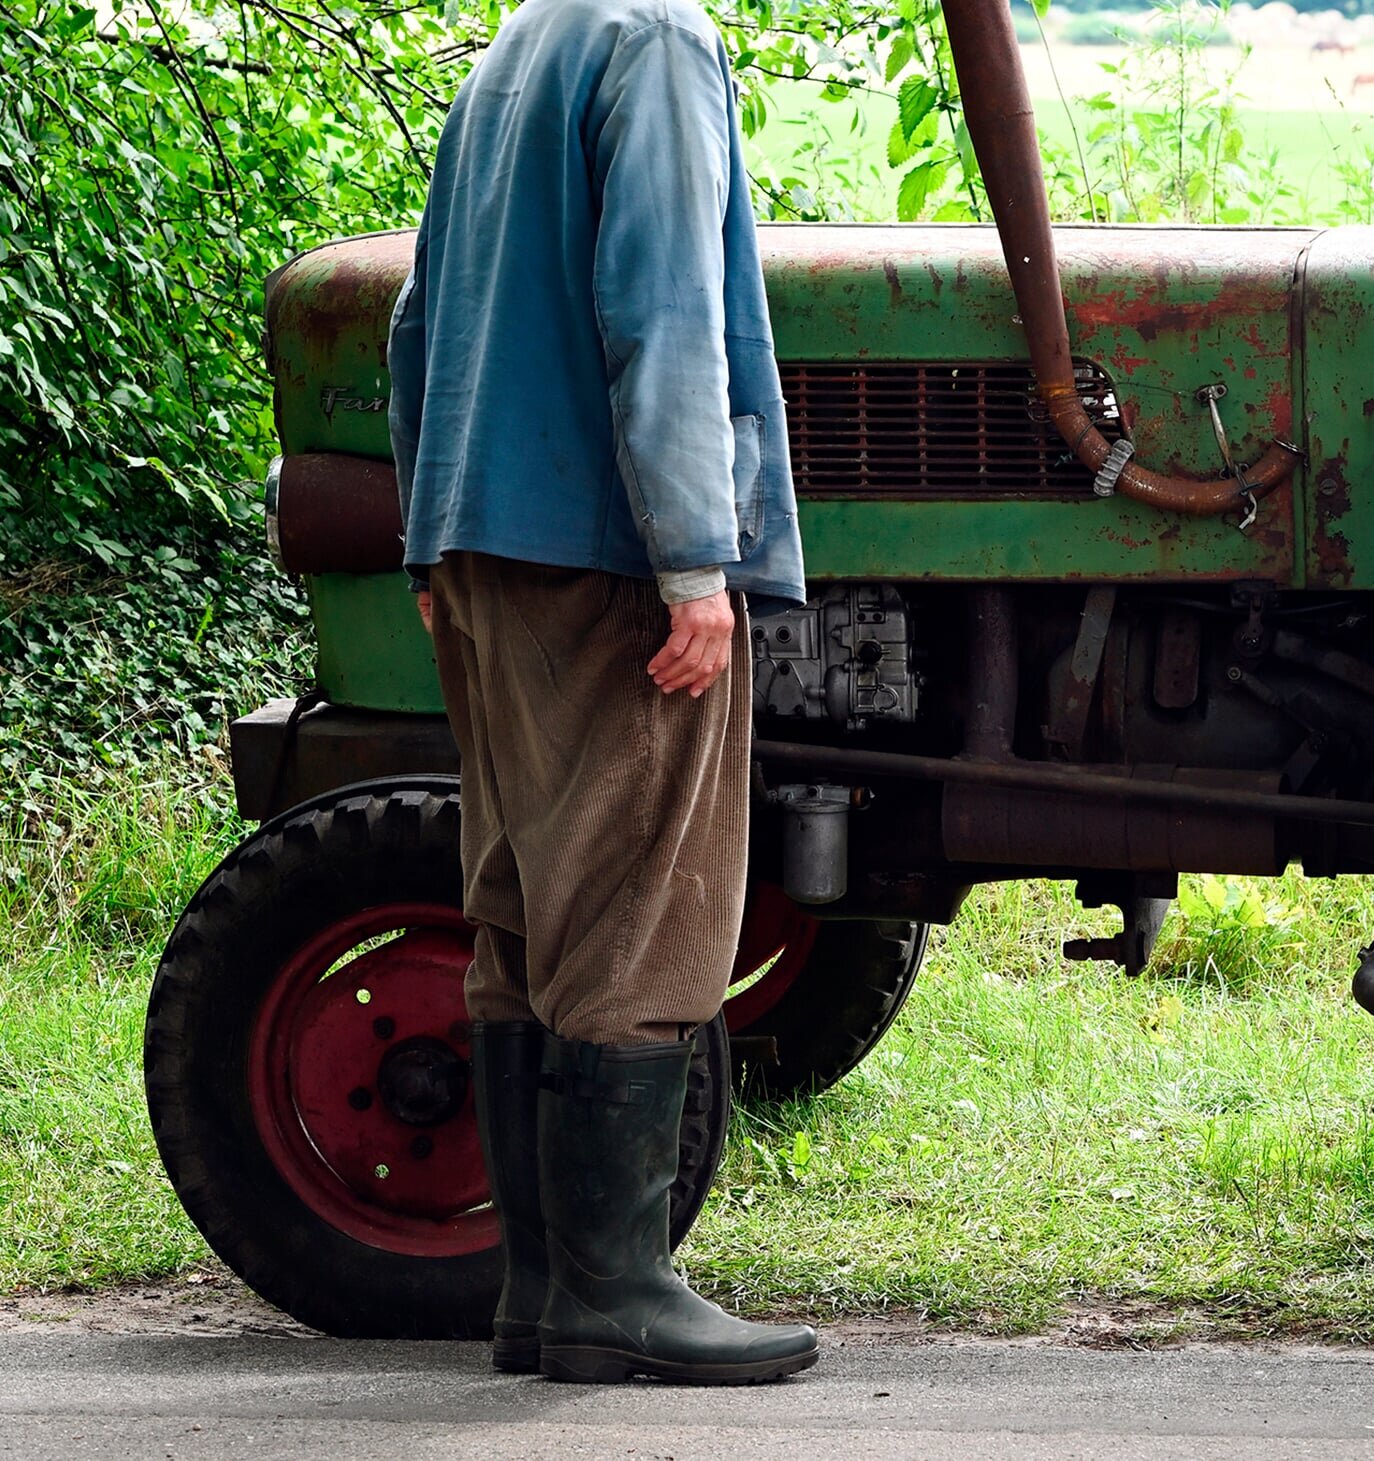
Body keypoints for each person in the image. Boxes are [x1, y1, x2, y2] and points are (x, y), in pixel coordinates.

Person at [386, 0, 813, 1385]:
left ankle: (536, 1284)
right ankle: (615, 1288)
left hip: (480, 541)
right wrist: (697, 556)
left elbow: (416, 311)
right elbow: (667, 309)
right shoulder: (660, 43)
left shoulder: (515, 49)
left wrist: (425, 522)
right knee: (640, 901)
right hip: (607, 550)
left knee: (522, 910)